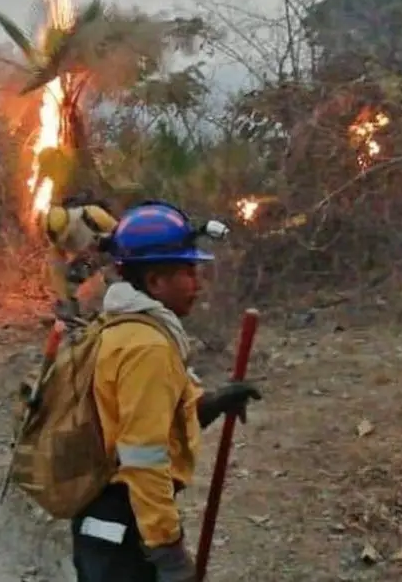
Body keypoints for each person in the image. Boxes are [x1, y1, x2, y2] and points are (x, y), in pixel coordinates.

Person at [72, 200, 261, 582]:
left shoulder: (127, 327)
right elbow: (142, 457)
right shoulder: (147, 347)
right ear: (155, 281)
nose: (198, 282)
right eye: (187, 271)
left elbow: (147, 416)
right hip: (123, 530)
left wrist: (209, 404)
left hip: (104, 523)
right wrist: (168, 551)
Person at [40, 192, 119, 320]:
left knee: (113, 279)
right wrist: (64, 300)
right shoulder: (56, 244)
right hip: (88, 260)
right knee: (73, 275)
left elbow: (121, 234)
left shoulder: (92, 215)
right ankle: (78, 315)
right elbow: (58, 272)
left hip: (111, 253)